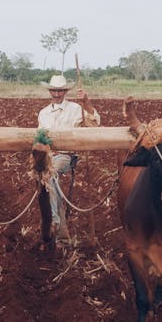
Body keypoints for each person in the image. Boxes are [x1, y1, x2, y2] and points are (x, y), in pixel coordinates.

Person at [37, 74, 100, 238]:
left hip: (65, 156)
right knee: (42, 181)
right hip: (47, 156)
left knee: (50, 175)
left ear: (65, 91)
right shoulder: (43, 113)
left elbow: (94, 123)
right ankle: (55, 220)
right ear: (50, 91)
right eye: (54, 91)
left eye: (60, 91)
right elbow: (40, 137)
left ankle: (55, 222)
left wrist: (86, 102)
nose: (57, 95)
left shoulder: (75, 109)